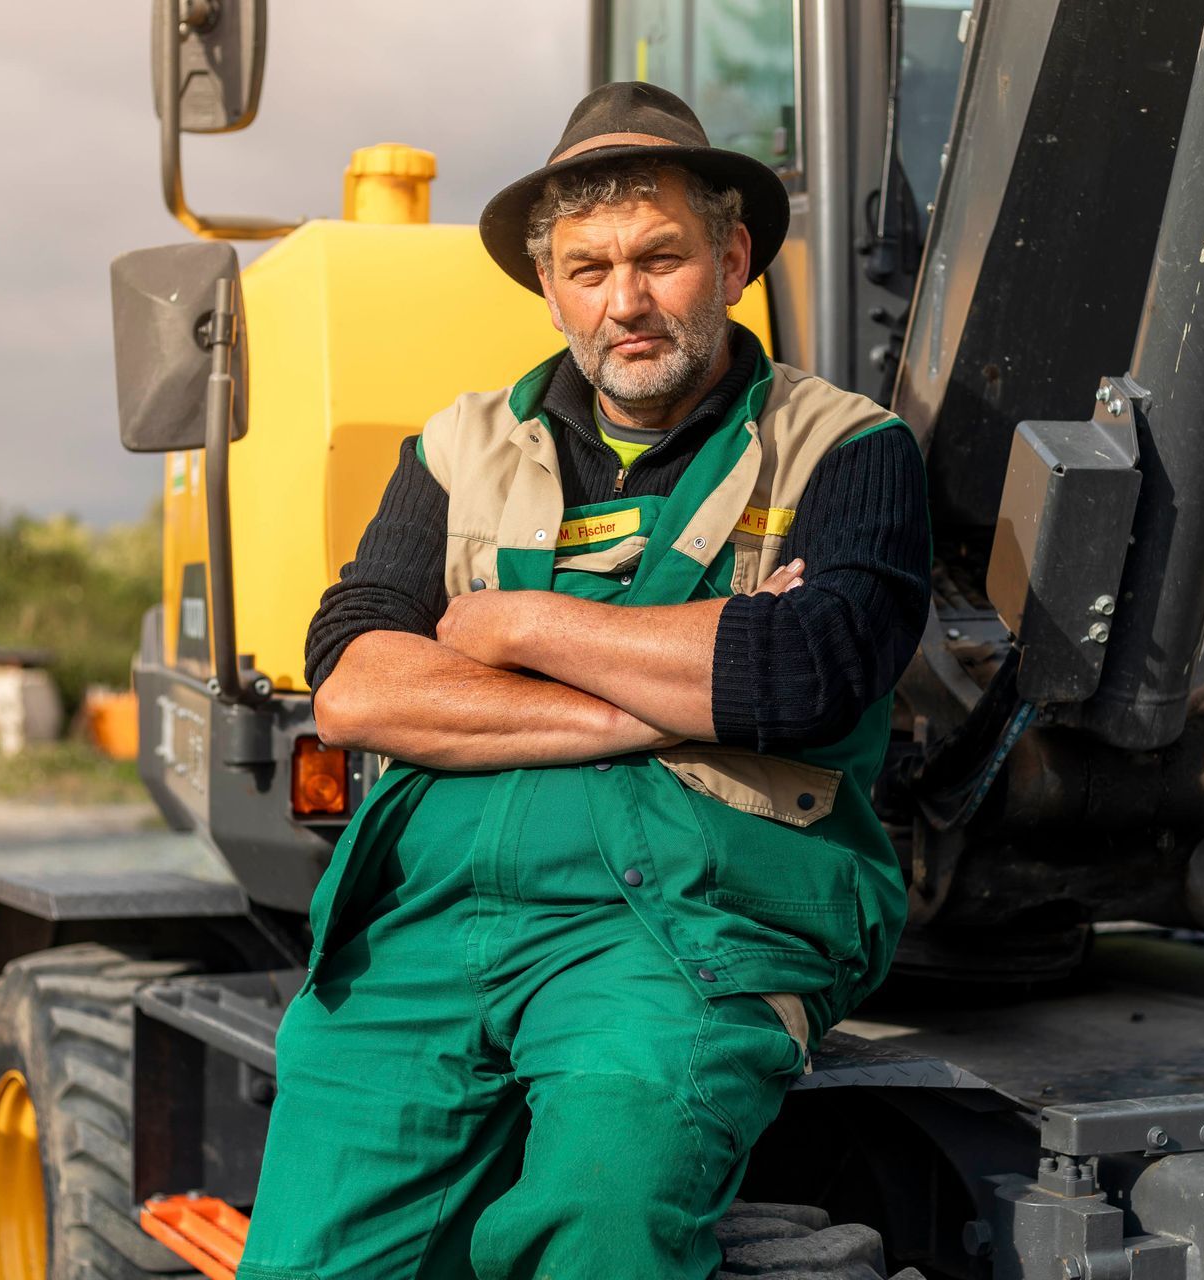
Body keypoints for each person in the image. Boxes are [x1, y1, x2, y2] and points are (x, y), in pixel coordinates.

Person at [235, 82, 931, 1280]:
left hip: (689, 932)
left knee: (601, 1221)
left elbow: (810, 669)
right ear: (549, 287)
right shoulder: (456, 446)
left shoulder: (848, 446)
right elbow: (354, 685)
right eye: (589, 268)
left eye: (661, 257)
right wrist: (677, 689)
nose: (626, 301)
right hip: (424, 926)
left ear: (732, 260)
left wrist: (505, 623)